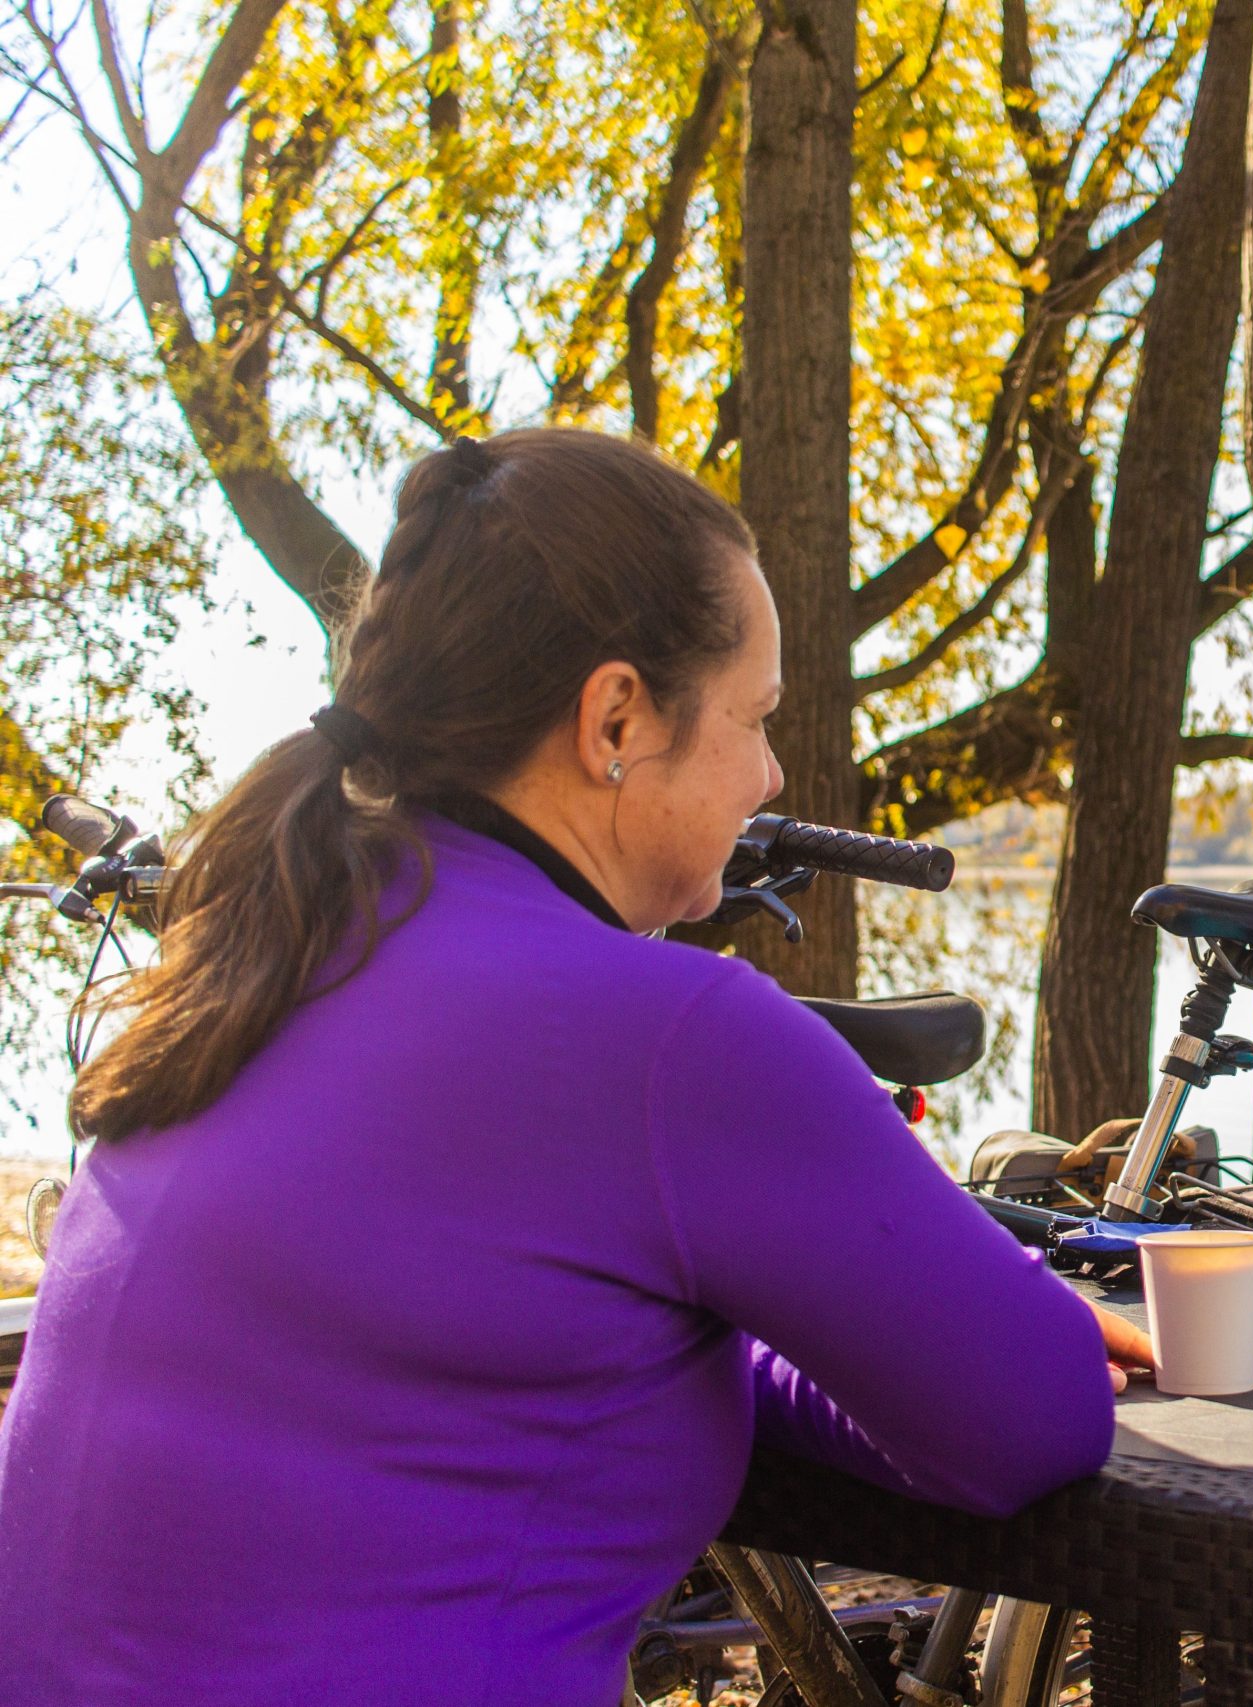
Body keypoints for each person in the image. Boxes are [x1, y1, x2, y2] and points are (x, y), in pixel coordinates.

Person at [0, 429, 1145, 1704]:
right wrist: (990, 1328)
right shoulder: (669, 1033)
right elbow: (1034, 1421)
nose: (772, 774)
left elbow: (514, 1340)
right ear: (615, 718)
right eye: (756, 718)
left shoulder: (262, 953)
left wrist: (831, 1339)